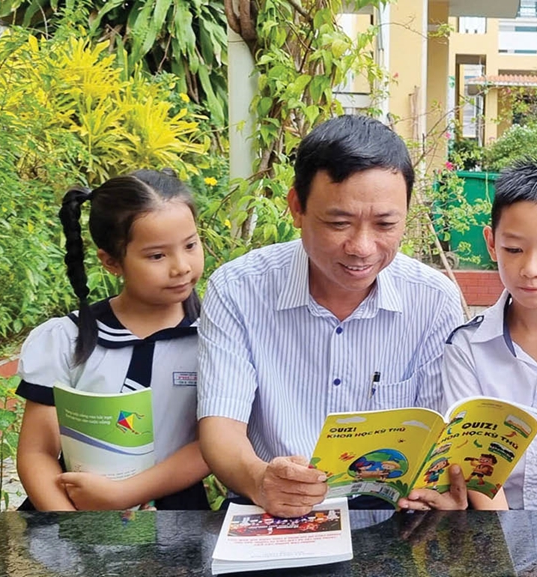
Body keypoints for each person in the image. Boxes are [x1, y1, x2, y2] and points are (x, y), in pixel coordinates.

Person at [196, 115, 464, 518]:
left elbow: (436, 435)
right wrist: (260, 479)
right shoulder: (238, 289)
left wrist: (441, 492)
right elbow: (221, 427)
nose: (361, 247)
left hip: (389, 515)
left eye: (386, 224)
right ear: (297, 208)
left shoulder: (433, 299)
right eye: (338, 223)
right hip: (268, 508)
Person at [401, 160, 537, 511]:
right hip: (496, 520)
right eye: (514, 249)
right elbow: (475, 463)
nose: (530, 269)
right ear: (491, 243)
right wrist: (506, 545)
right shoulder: (467, 348)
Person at [16, 169, 210, 511]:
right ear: (110, 261)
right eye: (157, 256)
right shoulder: (68, 339)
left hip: (177, 523)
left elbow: (213, 445)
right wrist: (73, 527)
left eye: (191, 245)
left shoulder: (215, 337)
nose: (181, 266)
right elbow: (37, 452)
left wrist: (127, 493)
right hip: (73, 509)